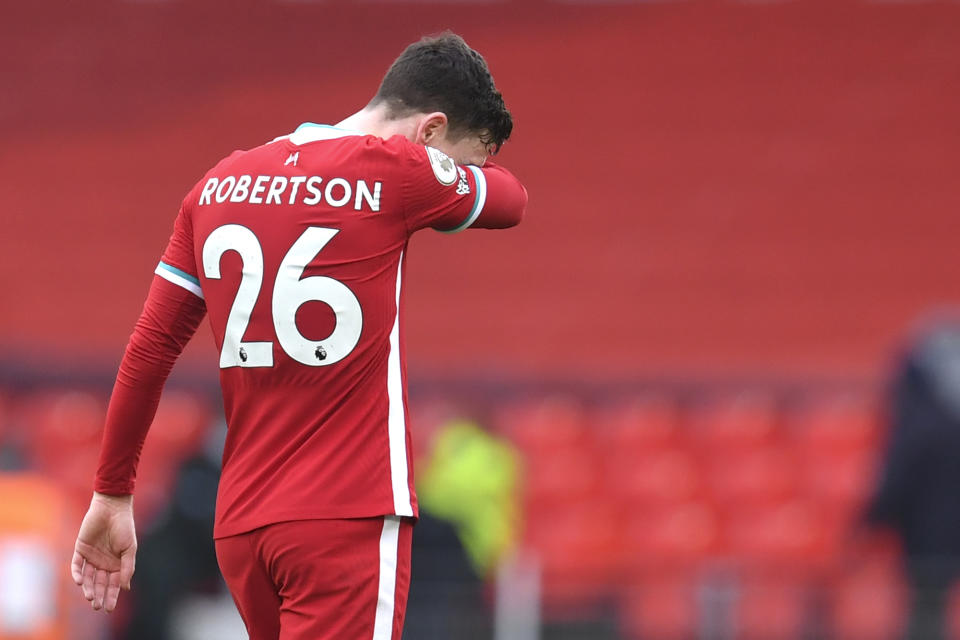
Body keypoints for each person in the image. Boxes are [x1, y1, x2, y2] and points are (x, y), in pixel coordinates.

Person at [70, 32, 527, 640]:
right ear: (430, 131)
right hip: (346, 516)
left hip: (242, 527)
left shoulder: (217, 185)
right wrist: (449, 174)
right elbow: (513, 200)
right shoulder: (398, 171)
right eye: (466, 159)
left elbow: (150, 350)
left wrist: (111, 493)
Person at [864, 319, 960, 640]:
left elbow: (898, 471)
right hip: (936, 533)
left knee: (926, 611)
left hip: (928, 536)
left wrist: (874, 517)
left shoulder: (920, 416)